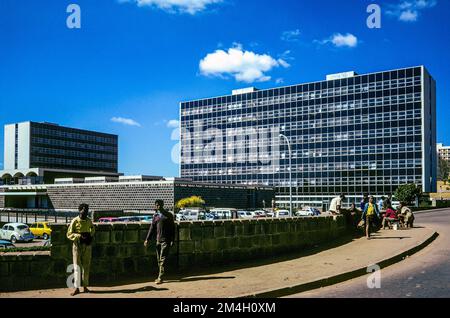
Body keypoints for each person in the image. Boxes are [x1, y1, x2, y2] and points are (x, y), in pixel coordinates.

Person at [67, 203, 95, 296]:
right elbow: (69, 234)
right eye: (83, 209)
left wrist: (90, 236)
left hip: (87, 246)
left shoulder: (89, 221)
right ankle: (76, 288)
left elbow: (93, 229)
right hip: (77, 246)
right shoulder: (75, 221)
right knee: (77, 267)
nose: (85, 210)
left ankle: (85, 286)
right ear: (79, 210)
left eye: (86, 209)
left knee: (86, 266)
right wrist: (79, 236)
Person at [144, 200, 176, 285]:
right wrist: (147, 239)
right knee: (159, 259)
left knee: (163, 259)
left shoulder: (169, 215)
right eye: (157, 205)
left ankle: (160, 277)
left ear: (162, 205)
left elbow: (173, 228)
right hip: (158, 240)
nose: (158, 206)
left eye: (159, 205)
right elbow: (152, 228)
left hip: (166, 240)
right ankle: (161, 274)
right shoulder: (156, 216)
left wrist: (172, 239)